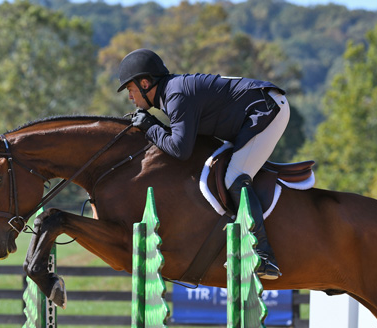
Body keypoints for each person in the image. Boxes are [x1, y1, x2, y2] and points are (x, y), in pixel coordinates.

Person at [117, 48, 289, 280]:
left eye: (131, 89)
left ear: (145, 83)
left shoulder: (176, 96)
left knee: (235, 177)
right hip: (256, 109)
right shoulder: (173, 93)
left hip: (266, 109)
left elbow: (180, 150)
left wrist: (150, 127)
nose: (130, 98)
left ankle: (263, 255)